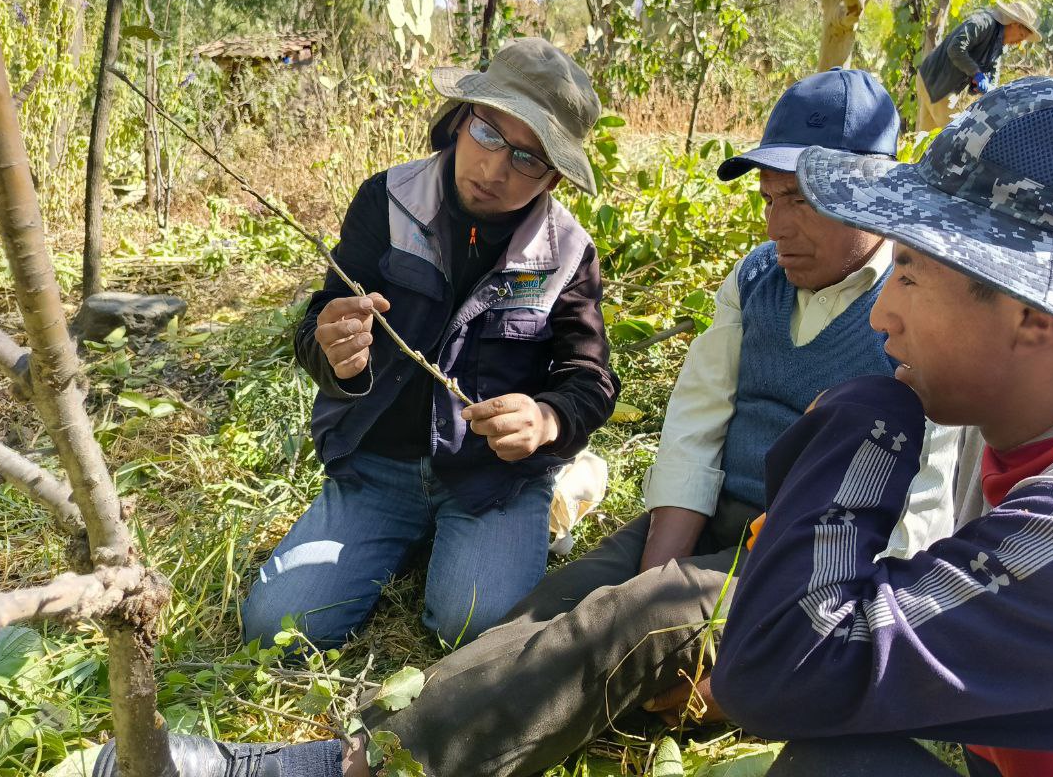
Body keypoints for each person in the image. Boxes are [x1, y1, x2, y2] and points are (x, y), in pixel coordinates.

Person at [96, 69, 960, 777]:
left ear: (872, 198)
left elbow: (918, 520)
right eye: (771, 198)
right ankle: (432, 709)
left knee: (587, 620)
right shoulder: (755, 276)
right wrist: (657, 568)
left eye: (804, 202)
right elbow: (696, 426)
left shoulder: (916, 308)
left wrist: (550, 424)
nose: (779, 224)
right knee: (553, 604)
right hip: (416, 479)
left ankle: (354, 764)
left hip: (806, 560)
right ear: (460, 120)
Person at [711, 76, 1053, 776]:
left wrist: (859, 420)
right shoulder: (1049, 396)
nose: (880, 315)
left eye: (907, 271)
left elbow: (780, 667)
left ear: (1036, 315)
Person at [239, 37, 620, 649]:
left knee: (474, 630)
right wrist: (334, 350)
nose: (495, 170)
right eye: (489, 134)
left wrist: (547, 419)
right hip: (379, 468)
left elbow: (590, 378)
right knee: (277, 630)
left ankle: (550, 502)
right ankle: (410, 532)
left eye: (527, 159)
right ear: (459, 120)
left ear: (554, 175)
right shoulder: (387, 202)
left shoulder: (566, 251)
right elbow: (317, 328)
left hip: (493, 481)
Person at [915, 0, 1041, 132]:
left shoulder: (998, 44)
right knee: (956, 136)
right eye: (1021, 35)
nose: (1019, 42)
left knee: (925, 140)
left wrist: (988, 89)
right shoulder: (983, 23)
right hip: (939, 83)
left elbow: (993, 73)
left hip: (931, 79)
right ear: (1014, 23)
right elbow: (955, 48)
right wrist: (976, 73)